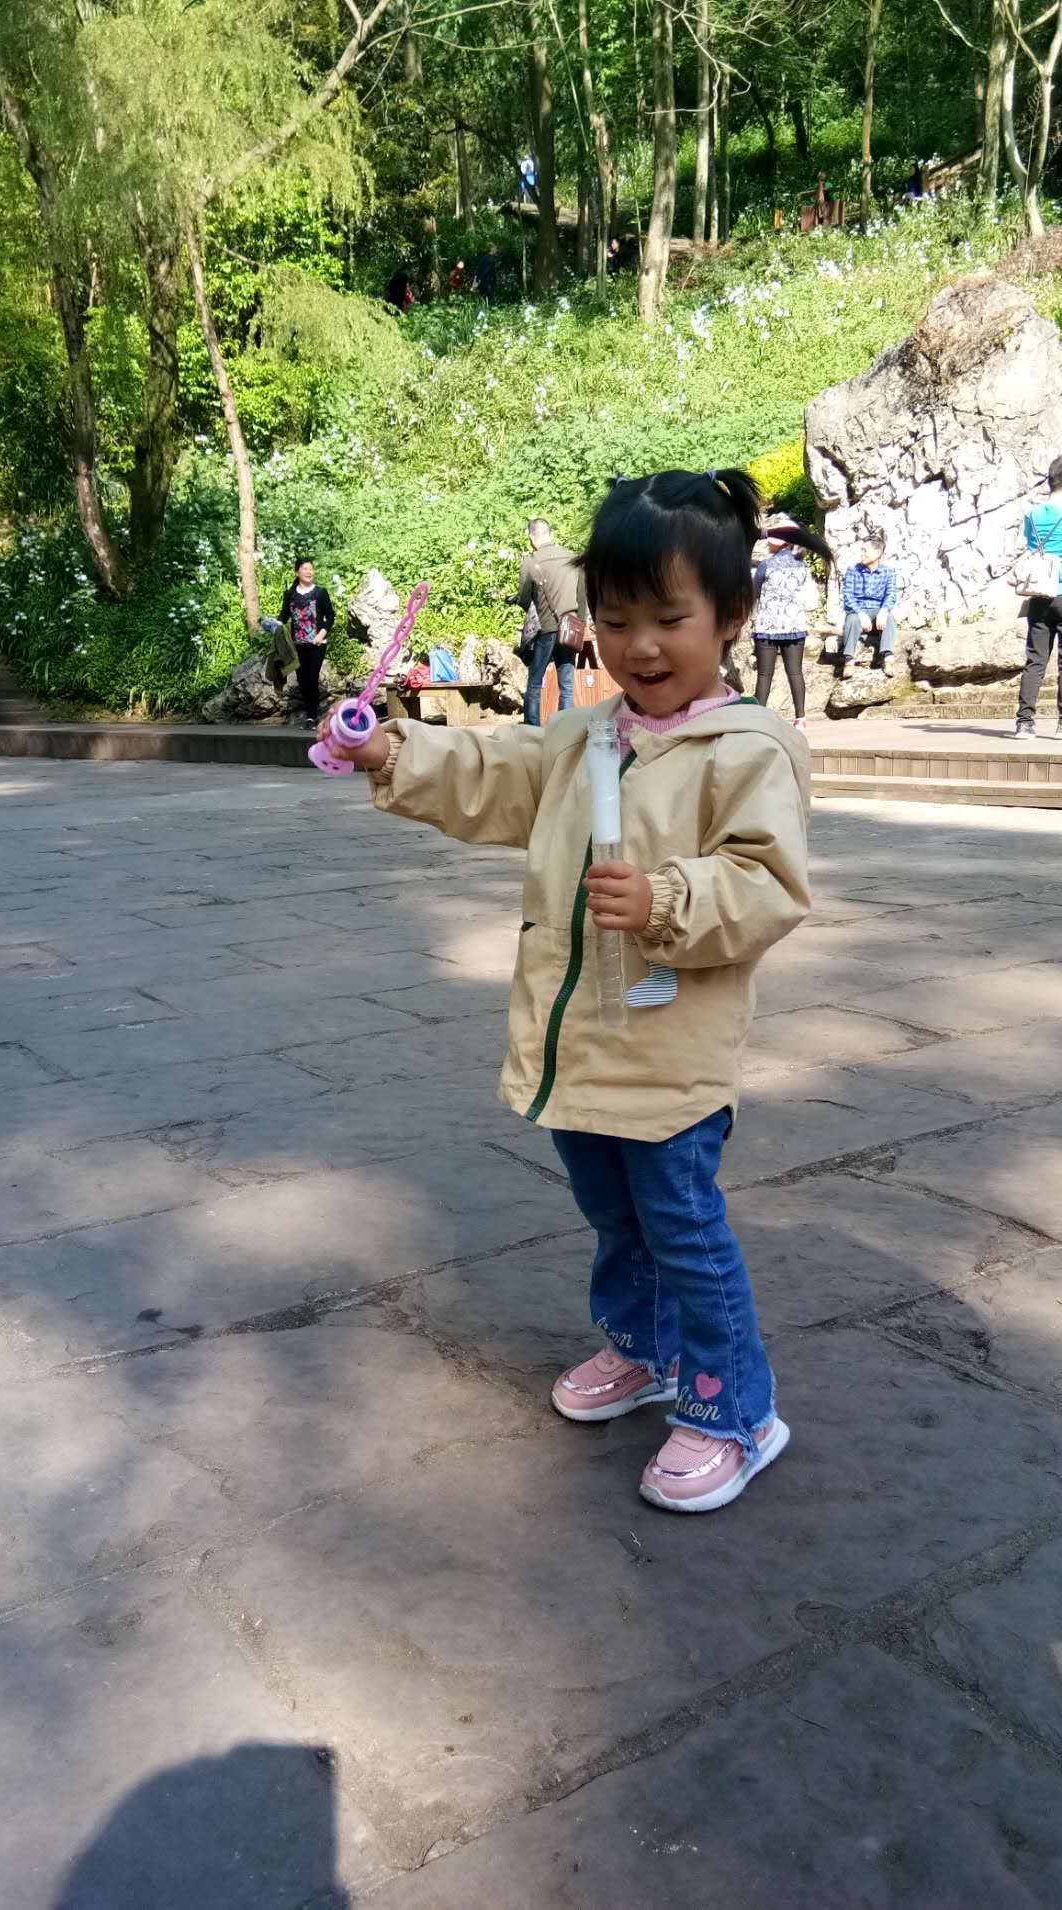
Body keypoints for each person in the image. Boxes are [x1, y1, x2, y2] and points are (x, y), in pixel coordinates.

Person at [318, 466, 812, 1515]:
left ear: (732, 614)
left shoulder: (749, 750)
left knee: (683, 1230)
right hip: (575, 1044)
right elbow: (492, 772)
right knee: (614, 1218)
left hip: (669, 1058)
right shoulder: (585, 735)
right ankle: (646, 1350)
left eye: (669, 619)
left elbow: (768, 883)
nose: (641, 645)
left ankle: (738, 1410)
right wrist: (391, 744)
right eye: (617, 620)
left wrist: (669, 896)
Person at [752, 520, 831, 729]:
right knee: (795, 672)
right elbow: (811, 601)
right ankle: (800, 718)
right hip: (794, 625)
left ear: (780, 543)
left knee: (764, 674)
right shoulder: (802, 567)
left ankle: (757, 718)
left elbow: (755, 591)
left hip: (767, 627)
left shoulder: (765, 566)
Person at [510, 517, 586, 725]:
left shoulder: (531, 561)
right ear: (551, 534)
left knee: (535, 682)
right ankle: (565, 728)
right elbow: (582, 597)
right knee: (567, 685)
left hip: (546, 627)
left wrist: (532, 608)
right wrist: (579, 623)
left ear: (532, 537)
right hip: (570, 627)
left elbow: (524, 598)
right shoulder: (573, 558)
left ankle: (532, 730)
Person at [1016, 454, 1062, 737]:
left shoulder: (1033, 514)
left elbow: (1032, 545)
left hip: (1038, 593)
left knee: (1035, 660)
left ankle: (1024, 722)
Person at [278, 558, 335, 728]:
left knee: (312, 678)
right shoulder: (290, 594)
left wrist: (321, 634)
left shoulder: (320, 593)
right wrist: (274, 624)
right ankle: (311, 714)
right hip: (297, 645)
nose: (309, 572)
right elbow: (284, 616)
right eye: (305, 569)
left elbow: (330, 616)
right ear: (297, 572)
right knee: (302, 681)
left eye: (311, 569)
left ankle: (311, 717)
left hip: (317, 644)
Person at [839, 538, 898, 676]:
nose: (862, 554)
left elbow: (891, 595)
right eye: (862, 550)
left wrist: (884, 610)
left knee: (889, 618)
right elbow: (848, 596)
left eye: (865, 551)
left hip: (877, 611)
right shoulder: (853, 570)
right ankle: (849, 661)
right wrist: (860, 614)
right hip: (858, 611)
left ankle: (888, 659)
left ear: (877, 553)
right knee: (852, 620)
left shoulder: (888, 572)